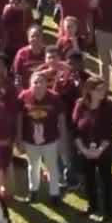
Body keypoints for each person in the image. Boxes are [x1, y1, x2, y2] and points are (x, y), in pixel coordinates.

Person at [73, 77, 112, 223]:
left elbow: (111, 132)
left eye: (104, 89)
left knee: (106, 181)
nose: (103, 92)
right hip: (85, 150)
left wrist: (99, 150)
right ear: (90, 91)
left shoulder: (109, 108)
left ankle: (108, 212)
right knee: (89, 179)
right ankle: (92, 206)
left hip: (103, 151)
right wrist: (83, 150)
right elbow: (75, 129)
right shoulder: (80, 105)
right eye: (99, 89)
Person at [19, 70, 64, 205]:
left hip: (50, 139)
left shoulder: (55, 98)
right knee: (33, 166)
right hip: (30, 139)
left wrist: (61, 139)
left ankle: (54, 194)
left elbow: (61, 120)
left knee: (52, 166)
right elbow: (19, 119)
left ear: (47, 84)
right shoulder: (24, 96)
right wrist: (19, 138)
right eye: (35, 82)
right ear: (30, 84)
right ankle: (33, 191)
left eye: (41, 82)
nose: (38, 85)